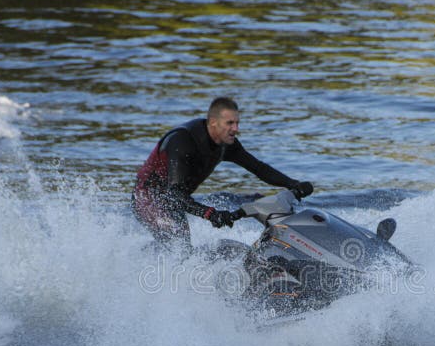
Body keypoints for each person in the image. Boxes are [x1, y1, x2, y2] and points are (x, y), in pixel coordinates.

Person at [132, 97, 313, 246]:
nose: (236, 129)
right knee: (178, 244)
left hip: (176, 197)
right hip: (149, 198)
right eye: (230, 123)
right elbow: (175, 193)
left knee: (182, 246)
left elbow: (258, 168)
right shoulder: (183, 142)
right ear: (213, 123)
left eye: (237, 123)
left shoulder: (227, 145)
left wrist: (293, 184)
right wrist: (210, 213)